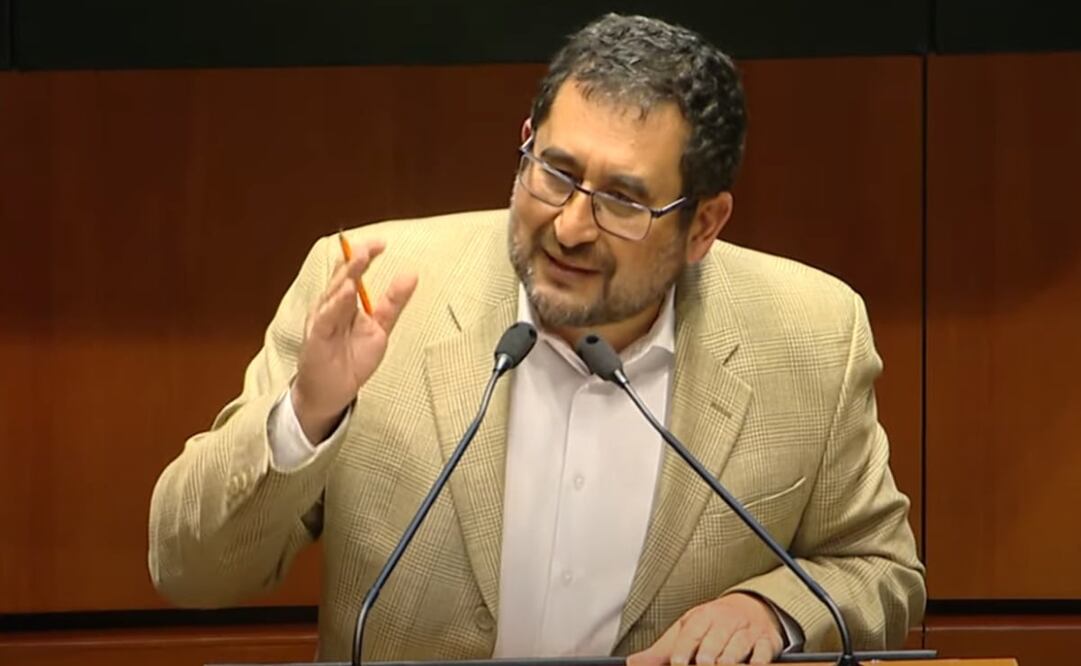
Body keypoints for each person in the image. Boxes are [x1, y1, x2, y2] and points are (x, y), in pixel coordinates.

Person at [149, 13, 925, 665]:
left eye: (622, 200)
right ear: (524, 141)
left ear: (704, 225)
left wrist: (772, 610)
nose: (569, 226)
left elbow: (879, 571)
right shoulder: (368, 286)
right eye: (554, 172)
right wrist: (306, 415)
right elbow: (186, 570)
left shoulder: (810, 336)